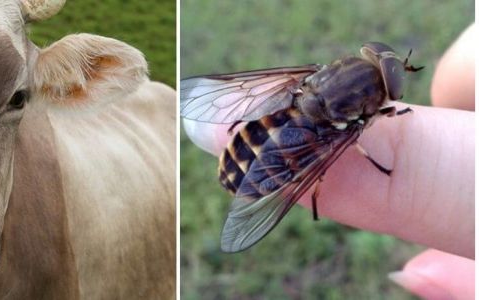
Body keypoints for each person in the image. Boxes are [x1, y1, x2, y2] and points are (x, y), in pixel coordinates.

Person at [182, 24, 475, 299]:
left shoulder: (313, 73)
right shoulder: (356, 124)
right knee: (314, 166)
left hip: (266, 125)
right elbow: (346, 147)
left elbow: (249, 93)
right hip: (281, 146)